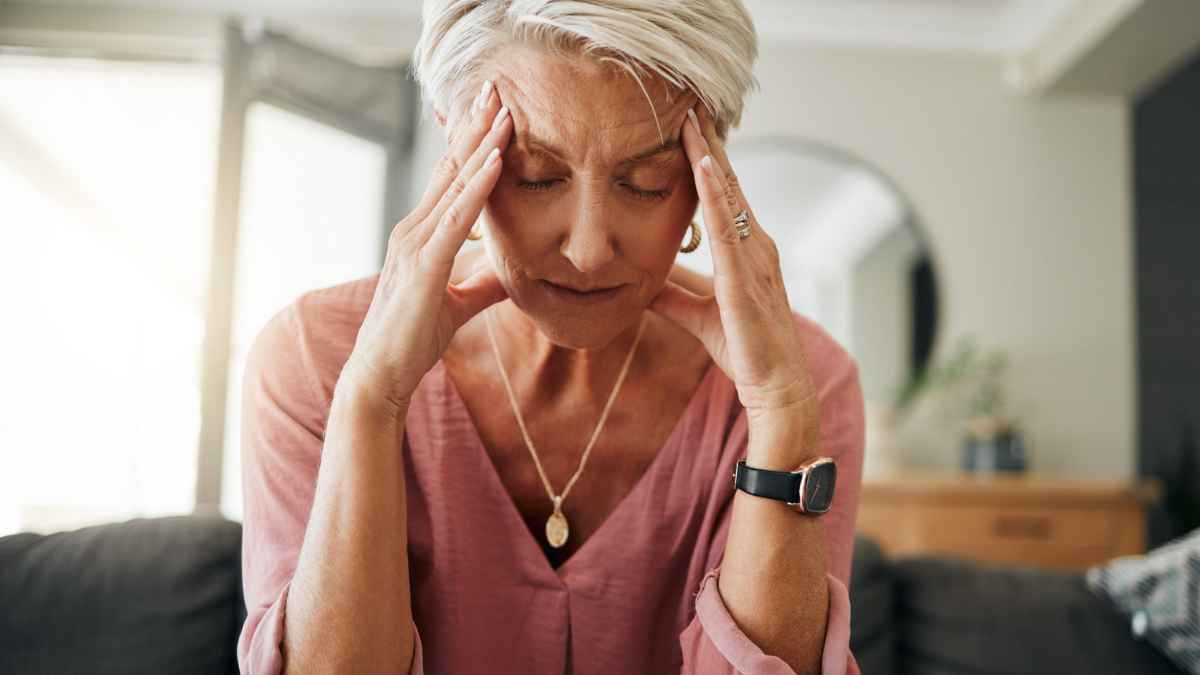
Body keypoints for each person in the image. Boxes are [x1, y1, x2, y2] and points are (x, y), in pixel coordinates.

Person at [236, 1, 865, 673]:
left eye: (646, 183)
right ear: (457, 147)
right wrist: (372, 399)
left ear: (708, 167)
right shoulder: (312, 360)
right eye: (537, 175)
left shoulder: (804, 380)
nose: (590, 249)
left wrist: (780, 409)